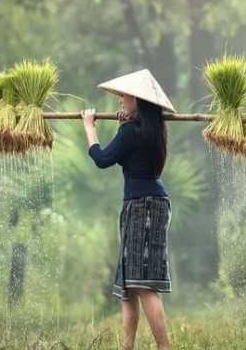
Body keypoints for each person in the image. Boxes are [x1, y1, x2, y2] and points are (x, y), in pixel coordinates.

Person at [80, 69, 176, 350]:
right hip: (148, 203)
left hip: (142, 207)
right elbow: (130, 150)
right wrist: (127, 122)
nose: (120, 100)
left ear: (139, 100)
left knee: (143, 284)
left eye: (125, 95)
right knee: (129, 286)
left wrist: (89, 125)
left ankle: (164, 347)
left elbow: (102, 159)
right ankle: (126, 347)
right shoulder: (150, 130)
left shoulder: (132, 132)